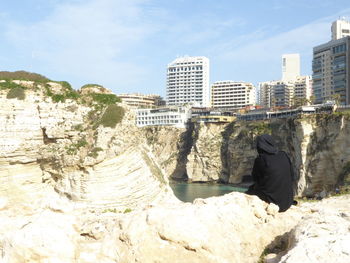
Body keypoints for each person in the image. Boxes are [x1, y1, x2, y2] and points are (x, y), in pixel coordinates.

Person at [246, 134, 294, 212]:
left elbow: (255, 178)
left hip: (274, 201)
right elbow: (292, 175)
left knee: (250, 190)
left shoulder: (261, 160)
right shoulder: (284, 154)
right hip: (287, 201)